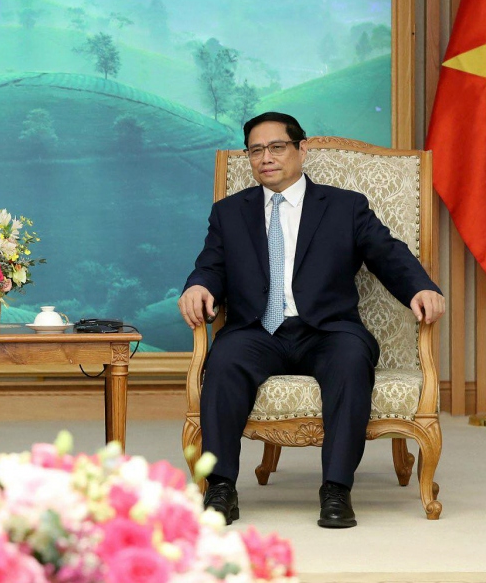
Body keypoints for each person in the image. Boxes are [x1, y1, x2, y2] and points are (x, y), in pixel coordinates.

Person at [178, 112, 444, 529]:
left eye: (277, 147)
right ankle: (222, 488)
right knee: (224, 361)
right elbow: (210, 265)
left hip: (327, 331)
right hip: (257, 331)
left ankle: (336, 489)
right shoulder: (230, 213)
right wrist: (198, 286)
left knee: (350, 360)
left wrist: (420, 288)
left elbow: (387, 253)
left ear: (301, 150)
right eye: (256, 150)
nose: (266, 157)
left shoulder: (343, 206)